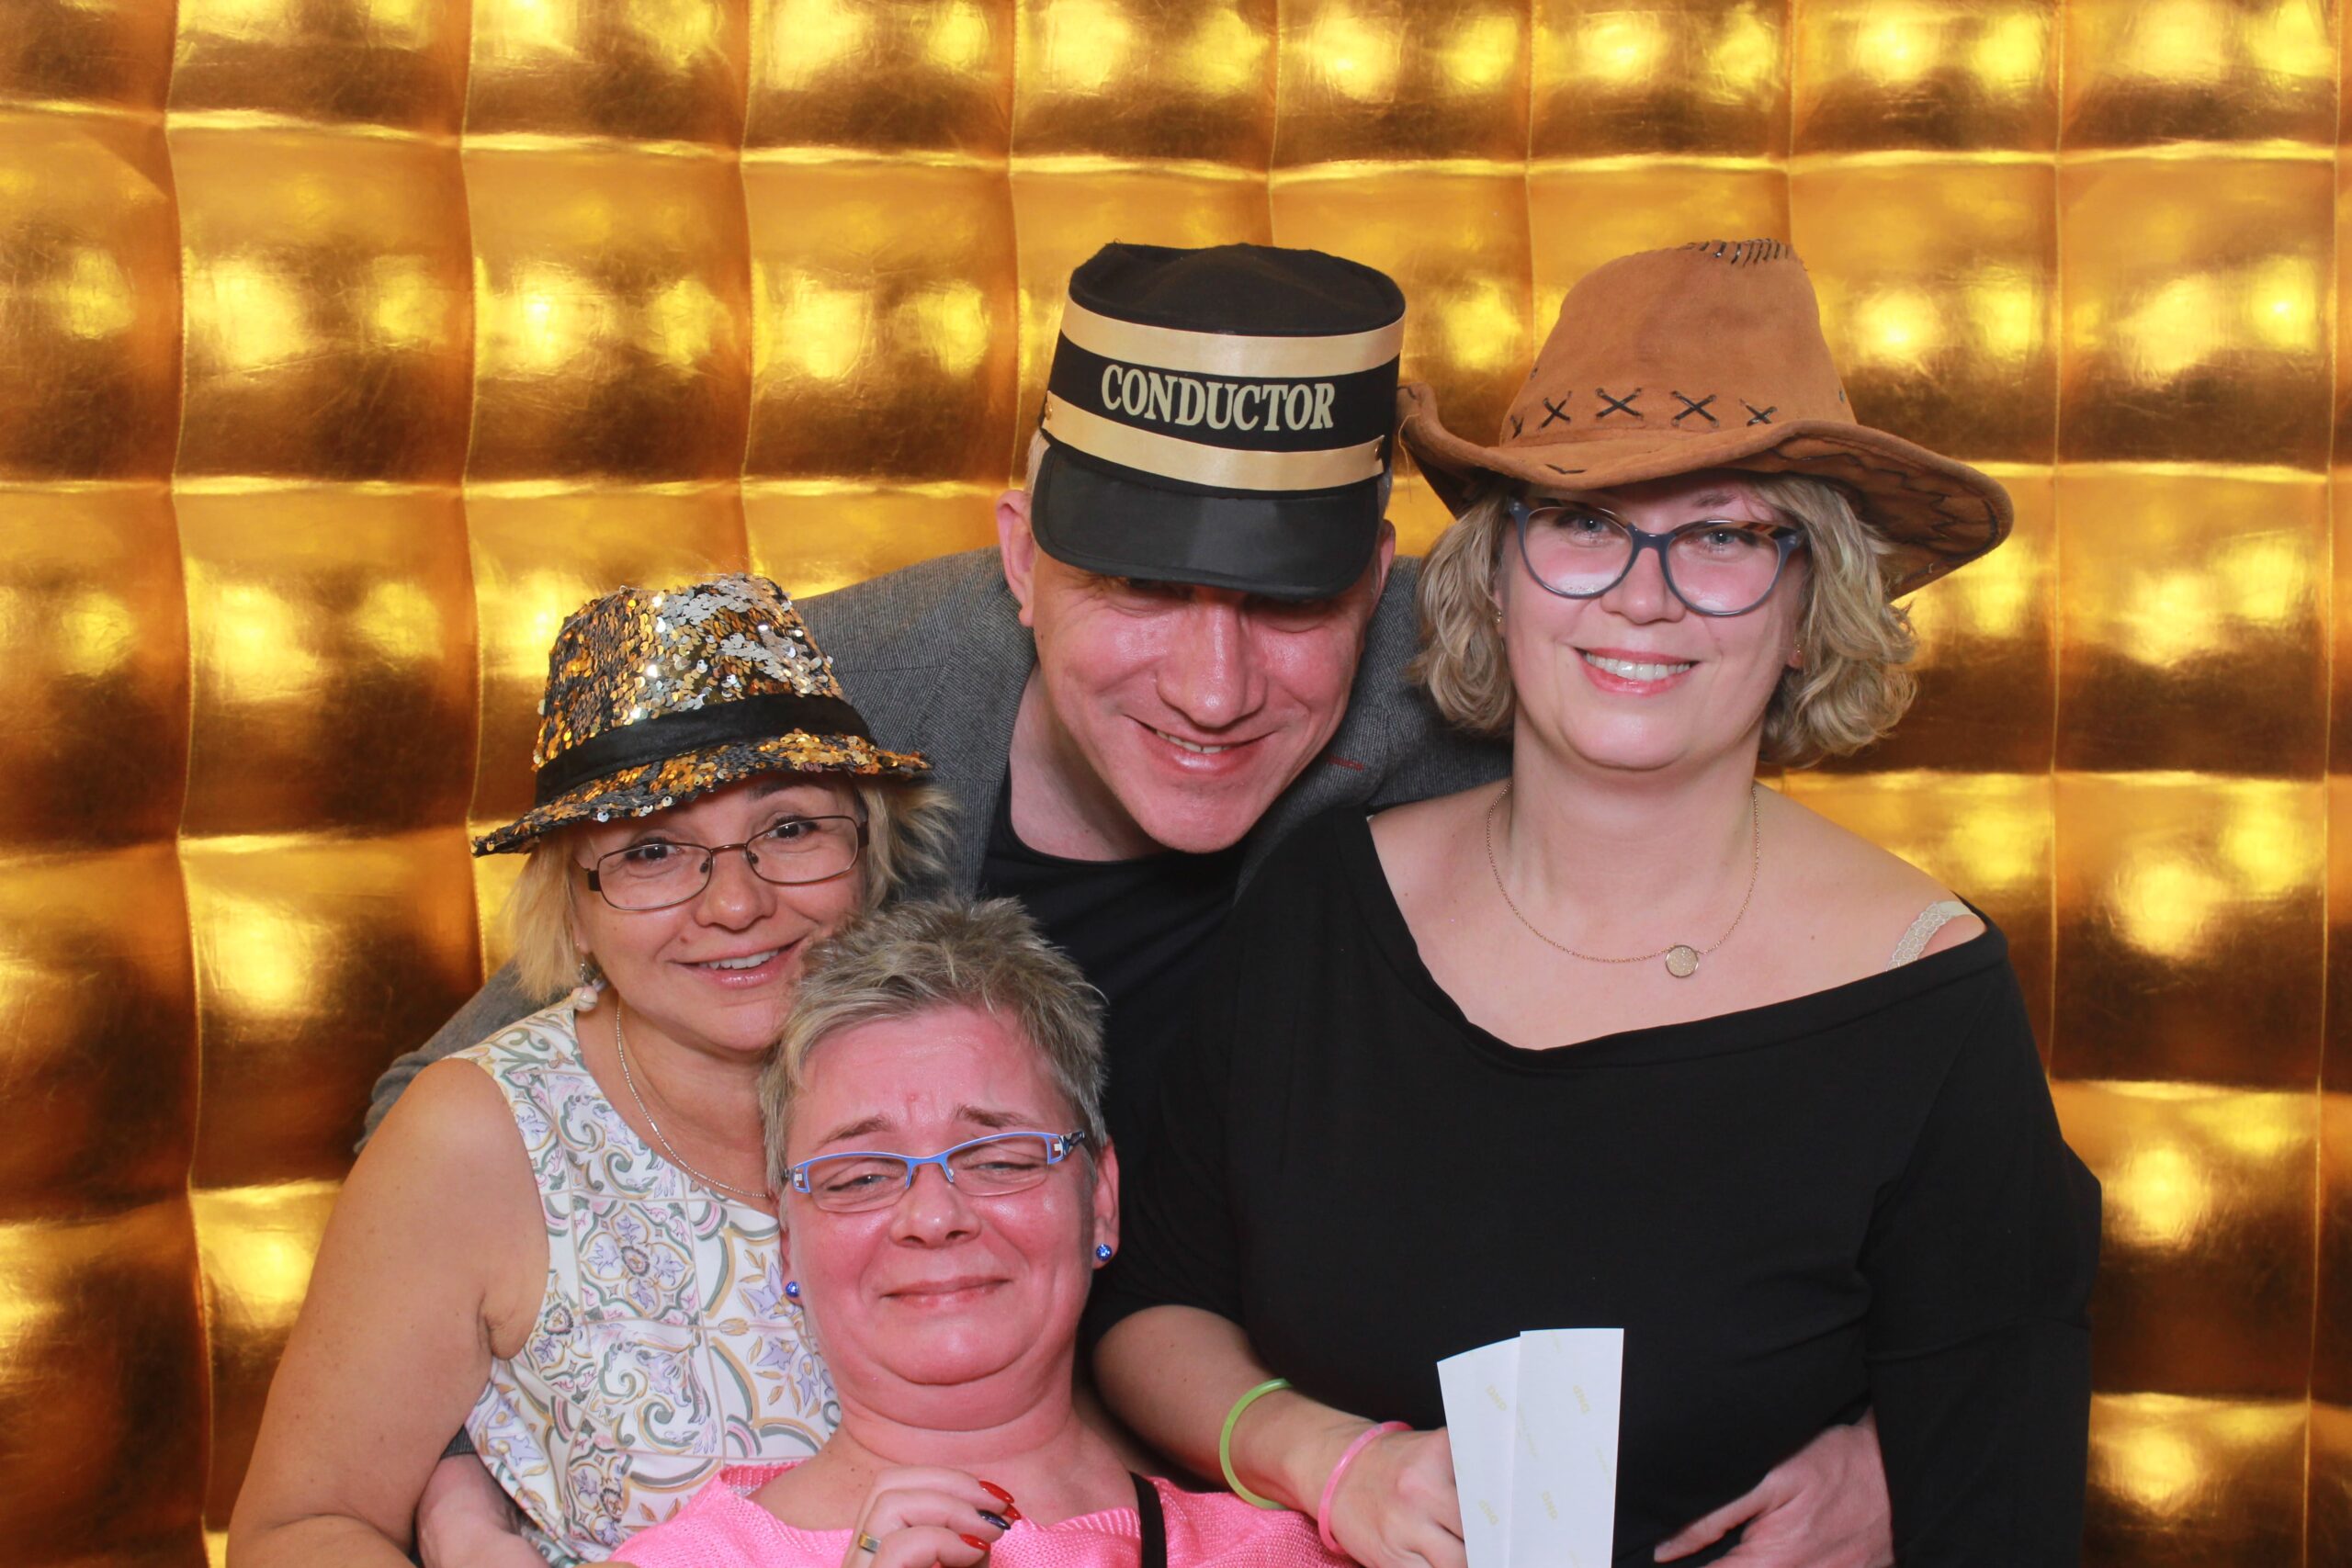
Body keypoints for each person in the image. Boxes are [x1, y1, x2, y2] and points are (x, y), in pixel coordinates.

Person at [370, 244, 1903, 1559]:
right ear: (1023, 560)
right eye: (1140, 590)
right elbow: (473, 1094)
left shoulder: (1501, 675)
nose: (1212, 688)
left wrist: (1894, 1433)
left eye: (1286, 602)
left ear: (1378, 583)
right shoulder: (840, 694)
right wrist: (468, 1482)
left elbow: (1800, 1004)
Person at [1091, 240, 2102, 1566]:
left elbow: (2000, 1506)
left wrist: (1907, 1457)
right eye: (1583, 522)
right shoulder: (1325, 901)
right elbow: (1148, 1307)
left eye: (1724, 537)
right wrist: (1332, 1464)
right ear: (1495, 576)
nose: (1642, 594)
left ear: (1812, 606)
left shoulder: (1926, 996)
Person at [228, 576, 950, 1567]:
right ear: (572, 906)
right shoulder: (477, 1135)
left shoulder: (964, 1062)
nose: (735, 904)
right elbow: (300, 1530)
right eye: (652, 850)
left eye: (788, 828)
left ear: (870, 850)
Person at [609, 897, 1347, 1568]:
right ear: (786, 1245)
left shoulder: (1288, 1552)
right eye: (860, 1176)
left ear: (1101, 1199)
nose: (933, 1217)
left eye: (1000, 1159)